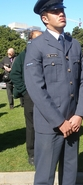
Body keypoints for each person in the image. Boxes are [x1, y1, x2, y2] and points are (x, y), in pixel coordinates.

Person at [23, 0, 83, 185]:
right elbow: (36, 89)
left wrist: (79, 114)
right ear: (45, 18)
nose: (61, 13)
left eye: (62, 10)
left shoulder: (73, 44)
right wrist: (59, 122)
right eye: (55, 11)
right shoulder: (36, 46)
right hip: (50, 126)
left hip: (73, 123)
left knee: (69, 176)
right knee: (44, 179)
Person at [10, 30, 43, 166]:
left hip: (45, 95)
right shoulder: (24, 55)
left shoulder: (45, 52)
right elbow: (14, 74)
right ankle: (32, 153)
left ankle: (45, 151)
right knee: (31, 126)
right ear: (30, 39)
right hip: (30, 96)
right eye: (37, 38)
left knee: (46, 124)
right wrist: (24, 91)